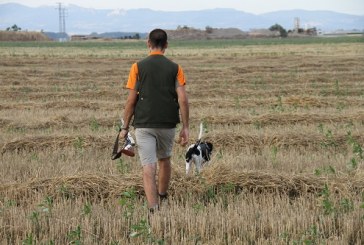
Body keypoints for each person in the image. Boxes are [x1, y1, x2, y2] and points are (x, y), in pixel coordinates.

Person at [119, 28, 189, 212]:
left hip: (144, 124)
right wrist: (186, 127)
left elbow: (131, 100)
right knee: (164, 160)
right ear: (166, 45)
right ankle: (163, 196)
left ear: (148, 43)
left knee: (148, 167)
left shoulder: (137, 67)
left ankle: (153, 208)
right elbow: (183, 99)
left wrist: (124, 127)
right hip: (167, 123)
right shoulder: (176, 68)